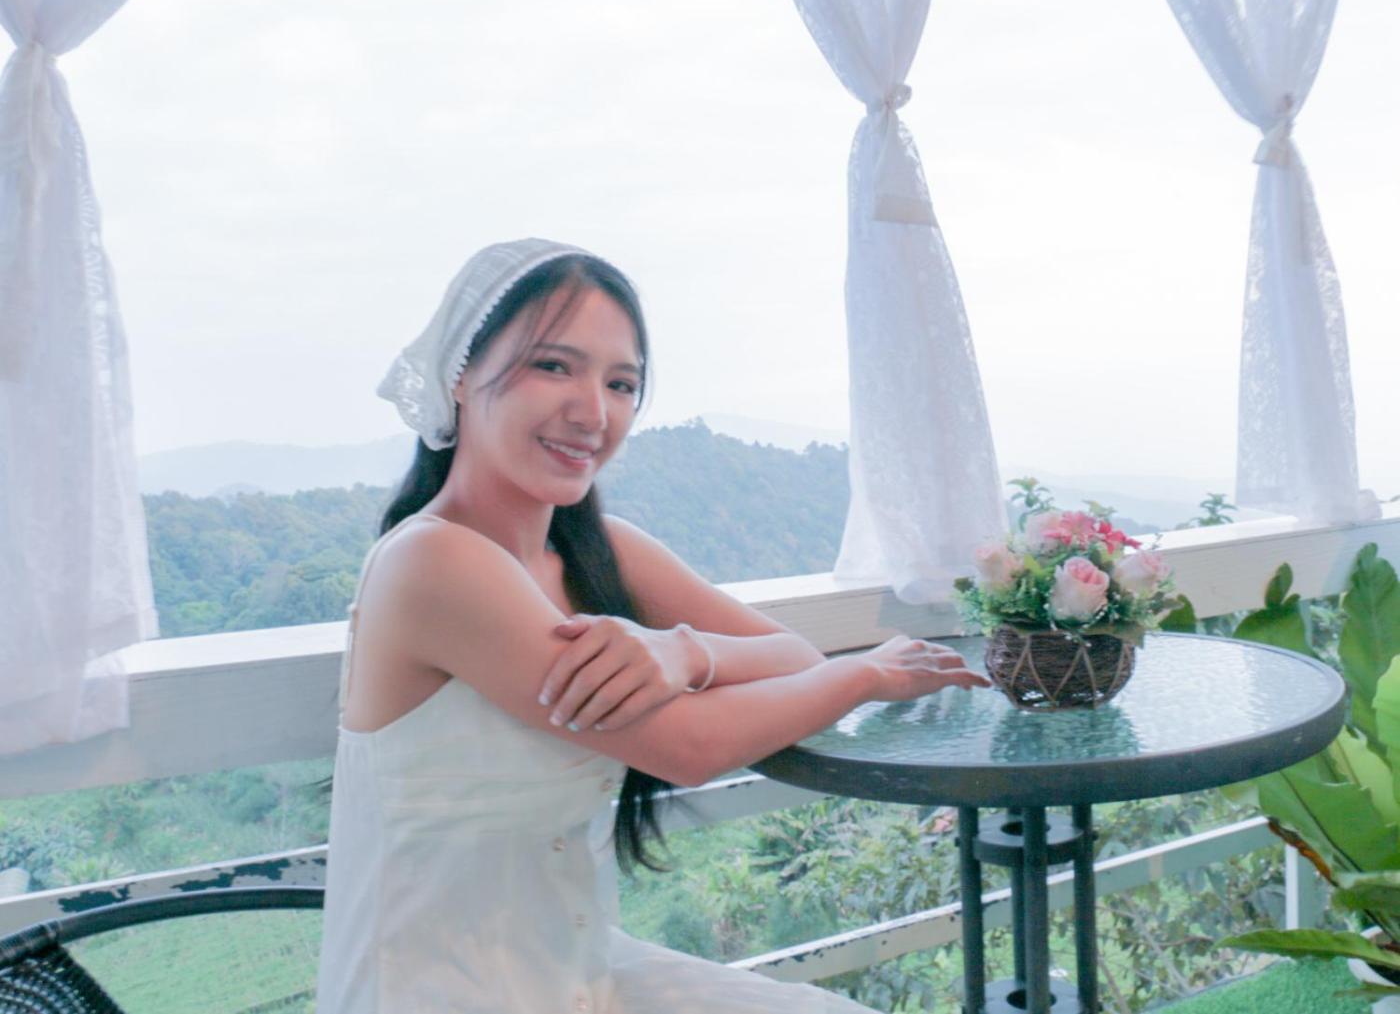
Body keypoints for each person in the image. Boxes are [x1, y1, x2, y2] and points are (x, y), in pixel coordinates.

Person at [315, 237, 991, 1013]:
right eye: (553, 365)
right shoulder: (434, 561)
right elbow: (687, 747)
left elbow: (792, 654)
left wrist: (681, 653)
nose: (593, 411)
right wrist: (867, 672)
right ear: (459, 374)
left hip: (576, 973)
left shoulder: (599, 551)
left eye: (621, 383)